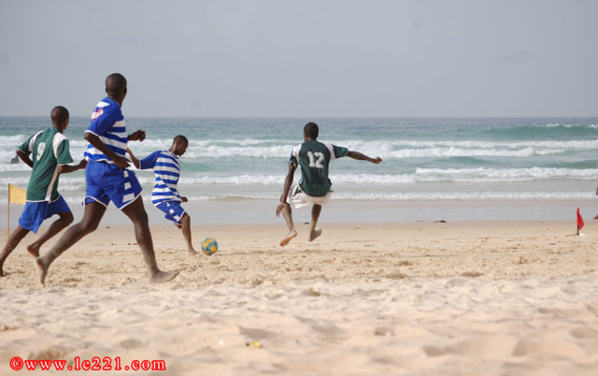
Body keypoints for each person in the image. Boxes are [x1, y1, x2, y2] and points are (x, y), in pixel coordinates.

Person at [36, 73, 179, 285]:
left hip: (94, 169)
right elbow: (89, 134)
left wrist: (129, 138)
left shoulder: (102, 105)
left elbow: (103, 134)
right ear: (125, 91)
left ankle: (46, 259)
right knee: (140, 218)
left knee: (88, 224)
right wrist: (116, 158)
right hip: (110, 171)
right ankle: (154, 273)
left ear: (106, 90)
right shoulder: (113, 109)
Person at [0, 106, 86, 276]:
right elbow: (61, 169)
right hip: (40, 193)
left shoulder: (40, 135)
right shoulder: (61, 140)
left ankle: (36, 246)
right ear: (66, 121)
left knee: (67, 217)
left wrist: (35, 166)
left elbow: (19, 150)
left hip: (50, 193)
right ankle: (0, 261)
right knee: (21, 230)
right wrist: (79, 166)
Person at [275, 122, 382, 246]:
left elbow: (290, 176)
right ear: (317, 135)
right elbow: (352, 154)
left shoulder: (298, 149)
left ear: (304, 135)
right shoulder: (328, 147)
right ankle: (311, 232)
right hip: (323, 191)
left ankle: (292, 230)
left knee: (284, 200)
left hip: (306, 190)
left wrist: (283, 199)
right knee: (318, 201)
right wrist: (372, 160)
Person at [126, 135, 199, 256]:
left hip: (171, 197)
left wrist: (180, 198)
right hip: (161, 197)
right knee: (186, 218)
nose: (185, 151)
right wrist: (130, 153)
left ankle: (174, 219)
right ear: (178, 144)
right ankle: (190, 250)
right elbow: (139, 165)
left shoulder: (177, 162)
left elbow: (170, 185)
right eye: (184, 148)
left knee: (182, 221)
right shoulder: (159, 155)